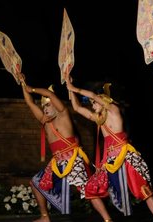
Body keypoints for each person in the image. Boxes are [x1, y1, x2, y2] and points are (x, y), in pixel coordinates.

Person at [66, 78, 153, 222]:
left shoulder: (114, 110)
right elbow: (77, 108)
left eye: (94, 103)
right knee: (90, 189)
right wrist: (69, 90)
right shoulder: (99, 119)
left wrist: (74, 87)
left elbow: (93, 96)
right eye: (92, 104)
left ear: (103, 100)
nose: (93, 106)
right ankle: (107, 220)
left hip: (126, 157)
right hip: (110, 161)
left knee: (144, 190)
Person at [19, 75, 112, 222]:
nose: (45, 108)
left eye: (48, 105)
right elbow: (30, 103)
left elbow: (49, 94)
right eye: (43, 106)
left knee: (87, 190)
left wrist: (33, 89)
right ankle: (44, 217)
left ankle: (107, 219)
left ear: (56, 106)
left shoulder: (63, 114)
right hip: (57, 162)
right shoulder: (44, 121)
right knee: (35, 182)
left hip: (72, 159)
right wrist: (23, 83)